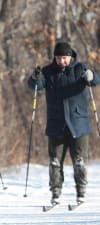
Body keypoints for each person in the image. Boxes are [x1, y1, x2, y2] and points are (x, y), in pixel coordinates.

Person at [28, 41, 100, 205]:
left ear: (71, 56)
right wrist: (35, 77)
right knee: (55, 162)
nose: (62, 61)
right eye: (59, 58)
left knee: (79, 161)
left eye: (65, 58)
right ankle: (56, 193)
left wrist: (92, 76)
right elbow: (35, 86)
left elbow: (95, 80)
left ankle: (81, 191)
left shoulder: (80, 69)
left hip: (78, 123)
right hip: (56, 124)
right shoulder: (48, 72)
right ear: (55, 58)